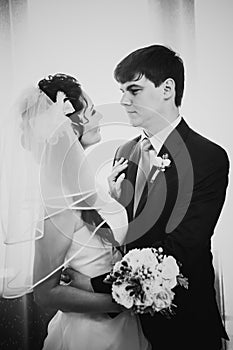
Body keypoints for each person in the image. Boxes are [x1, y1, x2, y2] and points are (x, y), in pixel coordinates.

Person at [67, 45, 230, 350]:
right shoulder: (124, 152)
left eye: (134, 90)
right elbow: (127, 235)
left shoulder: (207, 157)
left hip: (182, 322)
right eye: (121, 91)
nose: (123, 101)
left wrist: (91, 285)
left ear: (167, 89)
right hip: (126, 326)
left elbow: (182, 249)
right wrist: (115, 209)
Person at [0, 73, 150, 350]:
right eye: (91, 111)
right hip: (90, 336)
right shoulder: (59, 205)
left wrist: (112, 200)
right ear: (69, 126)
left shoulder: (83, 188)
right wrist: (124, 302)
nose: (100, 118)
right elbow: (45, 294)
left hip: (125, 329)